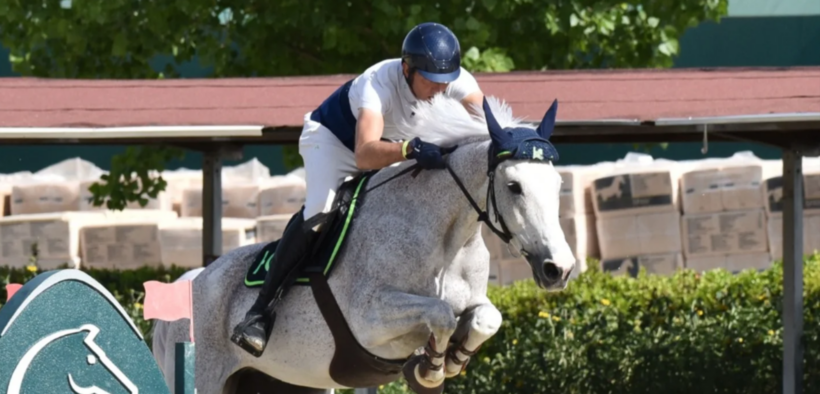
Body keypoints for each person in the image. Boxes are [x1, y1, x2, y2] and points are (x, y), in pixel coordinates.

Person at [230, 22, 486, 357]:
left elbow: (490, 127)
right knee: (321, 213)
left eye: (445, 81)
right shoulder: (376, 83)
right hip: (334, 143)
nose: (439, 89)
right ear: (406, 69)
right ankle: (260, 311)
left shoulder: (457, 82)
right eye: (429, 80)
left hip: (393, 145)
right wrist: (409, 150)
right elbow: (365, 154)